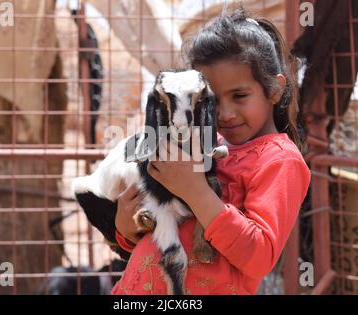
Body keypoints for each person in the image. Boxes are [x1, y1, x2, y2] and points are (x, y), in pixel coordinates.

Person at [111, 8, 311, 295]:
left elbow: (259, 256)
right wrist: (125, 227)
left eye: (240, 96)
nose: (225, 113)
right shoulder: (199, 142)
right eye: (211, 100)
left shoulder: (280, 160)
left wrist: (195, 191)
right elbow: (158, 220)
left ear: (275, 89)